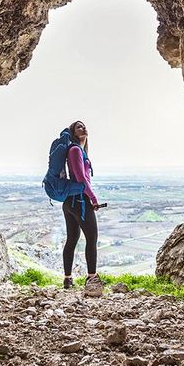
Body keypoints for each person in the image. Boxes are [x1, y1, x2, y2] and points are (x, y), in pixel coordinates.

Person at [62, 120, 104, 296]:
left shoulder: (78, 150)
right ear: (73, 133)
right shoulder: (75, 150)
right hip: (80, 201)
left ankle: (68, 279)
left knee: (72, 239)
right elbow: (81, 178)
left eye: (84, 125)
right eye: (79, 126)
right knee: (92, 238)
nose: (83, 128)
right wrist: (93, 198)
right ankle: (91, 278)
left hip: (70, 202)